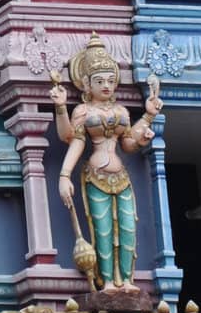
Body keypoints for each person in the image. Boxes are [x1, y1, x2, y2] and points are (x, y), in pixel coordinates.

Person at [50, 34, 161, 291]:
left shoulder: (121, 112)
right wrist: (64, 176)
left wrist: (147, 119)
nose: (107, 86)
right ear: (86, 84)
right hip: (96, 177)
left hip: (121, 177)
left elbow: (128, 143)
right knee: (102, 229)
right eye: (100, 81)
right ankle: (109, 282)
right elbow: (72, 140)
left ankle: (127, 280)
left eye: (111, 81)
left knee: (127, 230)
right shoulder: (83, 112)